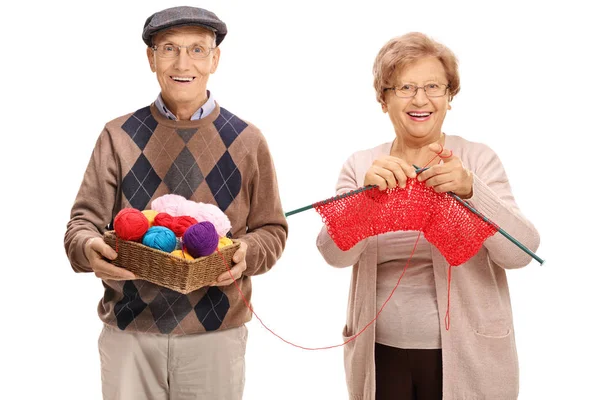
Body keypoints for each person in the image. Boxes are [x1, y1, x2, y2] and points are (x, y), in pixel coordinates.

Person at [64, 6, 288, 400]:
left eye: (197, 50)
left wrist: (248, 253)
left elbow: (273, 229)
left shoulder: (248, 140)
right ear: (151, 58)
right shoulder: (117, 136)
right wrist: (88, 249)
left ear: (215, 58)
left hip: (216, 334)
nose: (183, 63)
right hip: (130, 332)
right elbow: (82, 223)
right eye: (169, 48)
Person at [316, 32, 540, 400]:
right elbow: (333, 254)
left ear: (449, 97)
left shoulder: (478, 160)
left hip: (470, 354)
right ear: (383, 98)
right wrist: (364, 201)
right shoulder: (361, 165)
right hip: (380, 353)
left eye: (433, 86)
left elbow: (521, 252)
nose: (420, 99)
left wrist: (472, 191)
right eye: (404, 87)